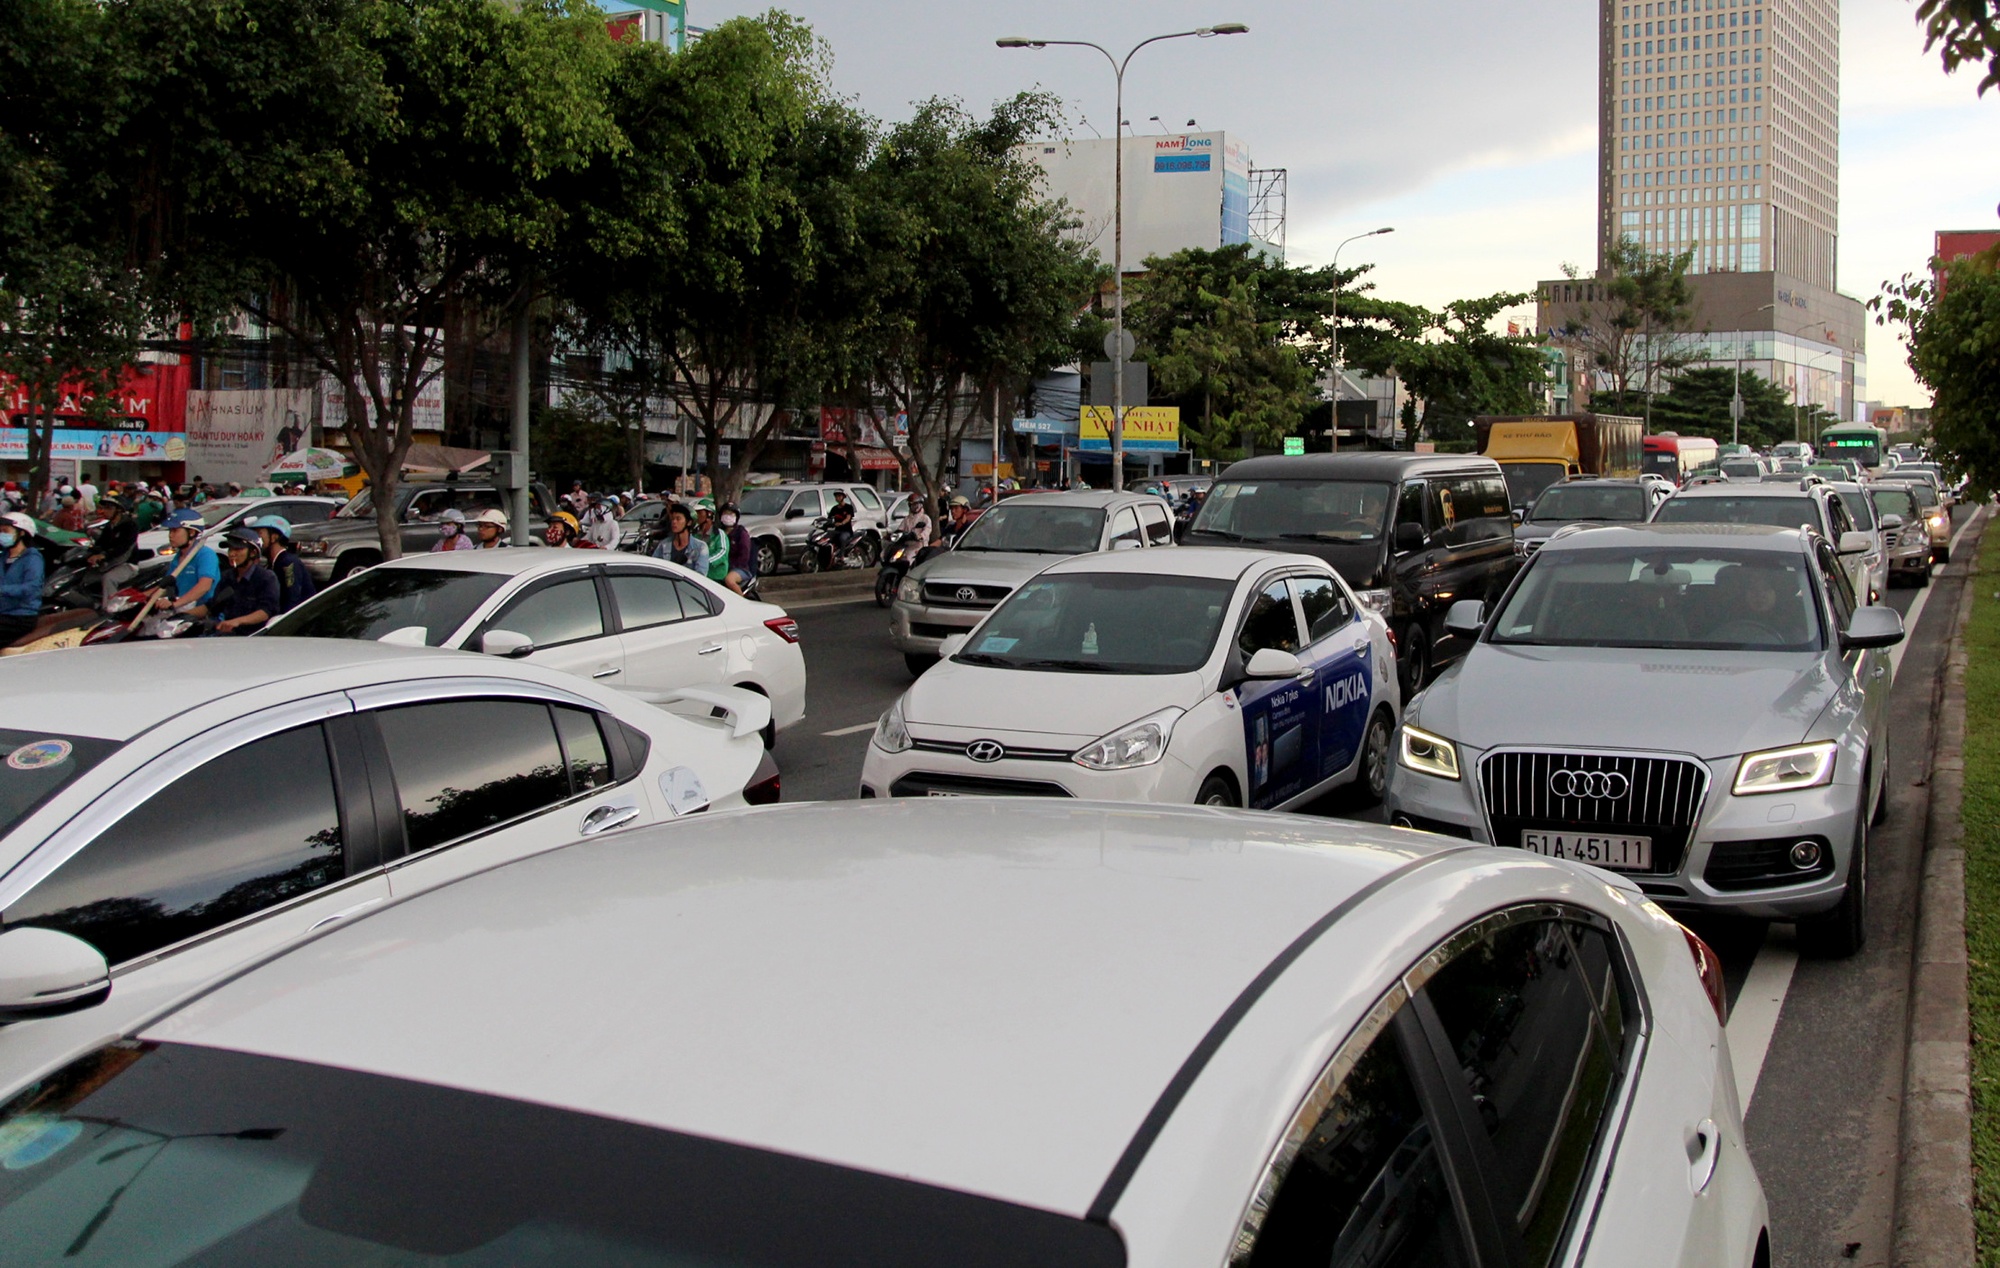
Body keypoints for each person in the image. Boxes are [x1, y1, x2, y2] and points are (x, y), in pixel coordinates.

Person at [207, 529, 279, 635]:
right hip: (225, 635)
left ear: (253, 553)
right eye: (230, 549)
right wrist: (181, 613)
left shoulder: (266, 578)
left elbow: (265, 612)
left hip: (253, 638)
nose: (232, 554)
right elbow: (212, 605)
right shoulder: (227, 576)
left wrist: (237, 622)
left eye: (238, 549)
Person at [154, 509, 221, 616]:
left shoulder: (206, 555)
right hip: (181, 609)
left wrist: (175, 604)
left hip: (203, 614)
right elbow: (166, 585)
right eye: (170, 531)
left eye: (175, 531)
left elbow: (204, 586)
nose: (170, 535)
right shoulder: (178, 556)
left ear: (191, 532)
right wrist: (142, 596)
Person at [247, 515, 316, 614]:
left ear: (274, 537)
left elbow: (291, 600)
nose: (256, 539)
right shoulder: (270, 564)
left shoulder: (288, 563)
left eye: (259, 533)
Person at [85, 495, 141, 604]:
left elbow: (123, 547)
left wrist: (104, 555)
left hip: (127, 564)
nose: (105, 511)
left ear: (119, 510)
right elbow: (100, 544)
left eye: (109, 508)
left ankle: (111, 607)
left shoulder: (130, 525)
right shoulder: (108, 526)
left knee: (109, 578)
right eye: (104, 508)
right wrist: (90, 553)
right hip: (109, 563)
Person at [0, 512, 45, 646]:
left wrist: (2, 590)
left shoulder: (32, 558)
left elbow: (32, 588)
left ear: (21, 533)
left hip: (20, 617)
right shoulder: (3, 557)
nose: (2, 535)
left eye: (5, 531)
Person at [651, 503, 709, 575]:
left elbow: (701, 576)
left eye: (678, 519)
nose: (674, 522)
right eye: (672, 519)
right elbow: (654, 569)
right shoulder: (664, 545)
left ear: (689, 522)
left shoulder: (700, 547)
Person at [717, 501, 756, 595]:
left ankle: (741, 601)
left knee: (729, 580)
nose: (727, 516)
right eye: (725, 513)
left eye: (731, 514)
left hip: (739, 569)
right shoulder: (718, 533)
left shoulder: (741, 533)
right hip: (721, 567)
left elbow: (744, 555)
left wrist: (731, 566)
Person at [693, 499, 730, 584]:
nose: (697, 515)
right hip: (698, 575)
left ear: (709, 514)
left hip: (715, 577)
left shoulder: (719, 534)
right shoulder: (695, 533)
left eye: (699, 513)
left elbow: (722, 553)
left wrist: (704, 561)